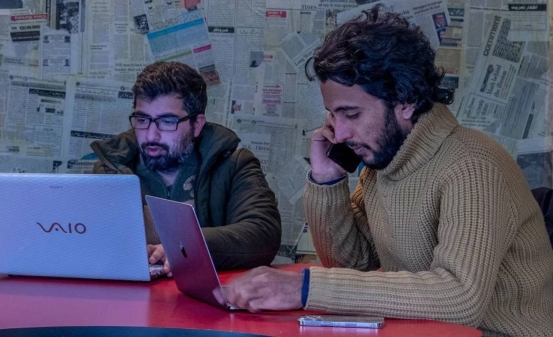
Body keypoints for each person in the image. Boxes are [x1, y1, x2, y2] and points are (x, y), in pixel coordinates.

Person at [224, 6, 553, 336]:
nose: (338, 134)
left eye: (351, 114)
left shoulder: (473, 165)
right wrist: (328, 180)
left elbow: (460, 297)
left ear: (406, 101)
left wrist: (304, 287)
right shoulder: (385, 164)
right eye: (333, 115)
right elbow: (351, 265)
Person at [90, 61, 281, 273]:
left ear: (196, 124)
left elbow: (263, 234)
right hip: (132, 299)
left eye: (167, 121)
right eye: (143, 119)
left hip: (205, 299)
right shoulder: (111, 169)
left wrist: (185, 246)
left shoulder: (234, 165)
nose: (151, 135)